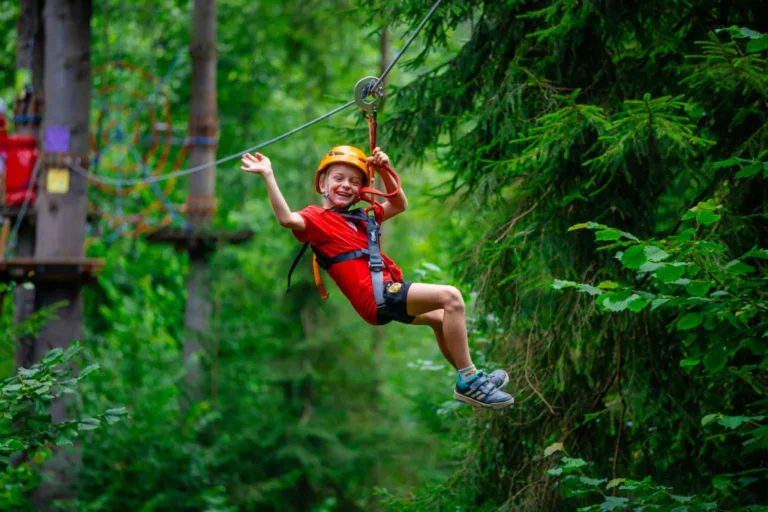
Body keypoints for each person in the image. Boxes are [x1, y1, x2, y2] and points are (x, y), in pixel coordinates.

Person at [241, 145, 514, 409]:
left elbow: (399, 203)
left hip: (383, 293)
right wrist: (268, 174)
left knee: (441, 318)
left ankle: (470, 379)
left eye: (354, 181)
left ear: (360, 190)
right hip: (376, 295)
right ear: (322, 183)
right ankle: (470, 379)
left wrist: (383, 169)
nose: (346, 185)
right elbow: (287, 219)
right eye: (338, 178)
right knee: (451, 297)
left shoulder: (361, 218)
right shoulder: (317, 219)